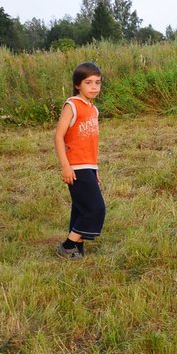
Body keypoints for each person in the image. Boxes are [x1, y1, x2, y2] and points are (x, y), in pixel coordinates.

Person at [54, 61, 105, 259]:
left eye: (97, 83)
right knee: (95, 208)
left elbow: (91, 143)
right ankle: (67, 245)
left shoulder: (93, 109)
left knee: (80, 208)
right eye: (88, 83)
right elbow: (59, 137)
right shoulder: (72, 105)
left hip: (88, 166)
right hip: (76, 166)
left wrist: (95, 169)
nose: (94, 87)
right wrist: (65, 166)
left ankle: (77, 249)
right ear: (78, 85)